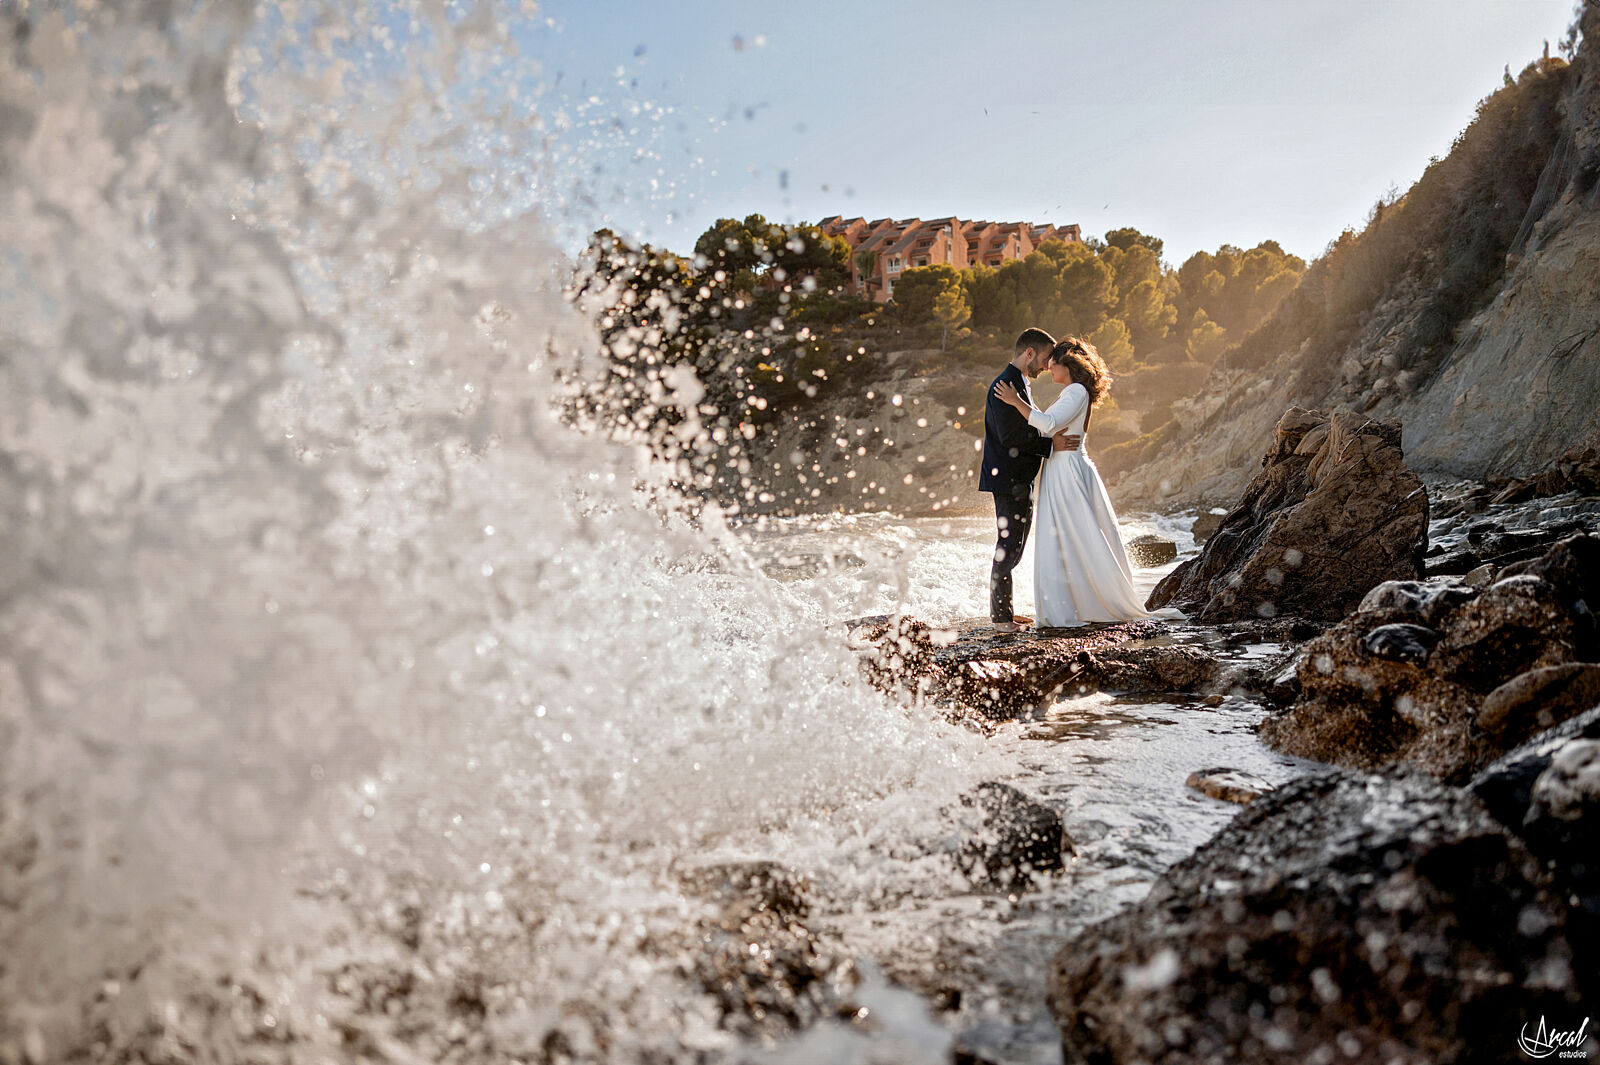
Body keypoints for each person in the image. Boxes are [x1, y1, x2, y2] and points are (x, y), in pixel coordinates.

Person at [992, 337, 1148, 627]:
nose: (1049, 366)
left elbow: (1049, 424)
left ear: (1069, 365)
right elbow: (1048, 427)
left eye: (1054, 361)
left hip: (1068, 471)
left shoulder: (1076, 391)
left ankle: (1081, 604)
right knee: (1066, 537)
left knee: (1076, 535)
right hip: (1060, 468)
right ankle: (1073, 602)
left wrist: (1015, 402)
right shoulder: (1071, 391)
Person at [980, 328, 1080, 632]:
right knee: (1008, 546)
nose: (1048, 366)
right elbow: (1010, 436)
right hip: (1009, 479)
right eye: (1046, 359)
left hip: (1019, 478)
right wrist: (1051, 446)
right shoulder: (1004, 384)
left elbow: (1030, 422)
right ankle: (1000, 620)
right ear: (1030, 354)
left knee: (1016, 546)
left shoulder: (1019, 383)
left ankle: (1005, 612)